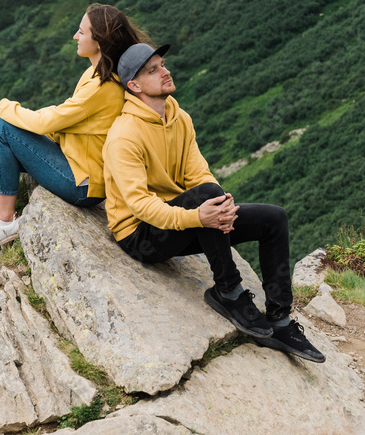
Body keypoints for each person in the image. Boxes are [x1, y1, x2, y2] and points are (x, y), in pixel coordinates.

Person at [103, 43, 324, 363]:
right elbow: (139, 205)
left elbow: (199, 174)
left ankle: (280, 319)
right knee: (206, 197)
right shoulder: (124, 135)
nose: (165, 71)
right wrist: (199, 216)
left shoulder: (180, 119)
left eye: (163, 64)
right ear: (134, 86)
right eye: (153, 70)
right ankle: (228, 291)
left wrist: (222, 206)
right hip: (140, 236)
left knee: (274, 219)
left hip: (182, 216)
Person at [0, 4, 146, 254]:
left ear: (98, 41)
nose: (75, 36)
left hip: (84, 184)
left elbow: (48, 121)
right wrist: (7, 137)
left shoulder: (103, 85)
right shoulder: (97, 74)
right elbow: (68, 121)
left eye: (81, 32)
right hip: (75, 164)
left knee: (2, 126)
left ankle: (5, 221)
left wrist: (4, 107)